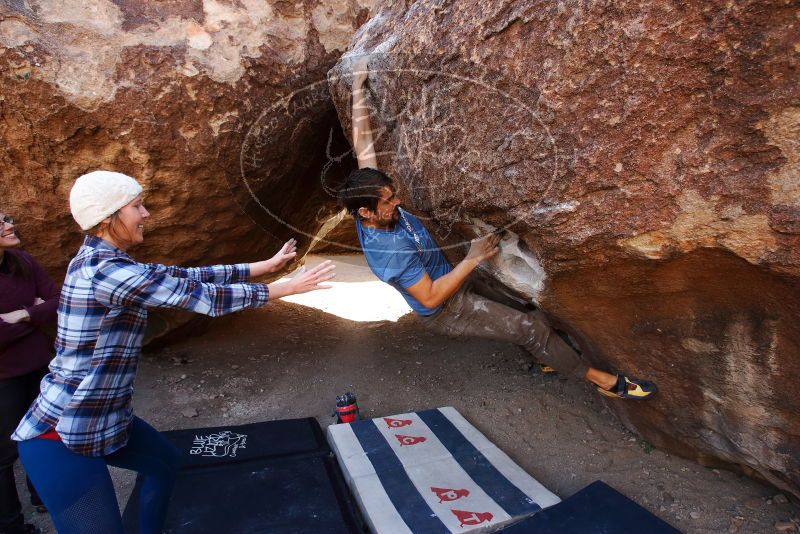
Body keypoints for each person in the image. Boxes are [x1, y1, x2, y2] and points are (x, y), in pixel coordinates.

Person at [12, 170, 336, 534]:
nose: (146, 213)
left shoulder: (108, 260)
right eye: (137, 206)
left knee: (164, 462)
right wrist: (282, 289)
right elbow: (201, 299)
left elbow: (182, 277)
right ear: (109, 219)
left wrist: (261, 266)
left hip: (103, 418)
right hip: (60, 436)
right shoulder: (105, 273)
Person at [339, 60, 656, 401]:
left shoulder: (370, 201)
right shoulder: (389, 250)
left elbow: (364, 147)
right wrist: (473, 259)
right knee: (529, 328)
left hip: (455, 277)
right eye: (388, 201)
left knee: (529, 309)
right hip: (447, 309)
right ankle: (604, 382)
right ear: (366, 212)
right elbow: (430, 296)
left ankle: (551, 358)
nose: (398, 202)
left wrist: (358, 87)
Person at [0, 211, 57, 534]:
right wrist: (36, 317)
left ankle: (43, 496)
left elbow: (58, 301)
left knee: (44, 436)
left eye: (6, 218)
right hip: (3, 379)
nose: (10, 225)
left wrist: (21, 315)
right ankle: (10, 526)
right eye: (0, 224)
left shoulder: (22, 261)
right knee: (4, 455)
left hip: (39, 366)